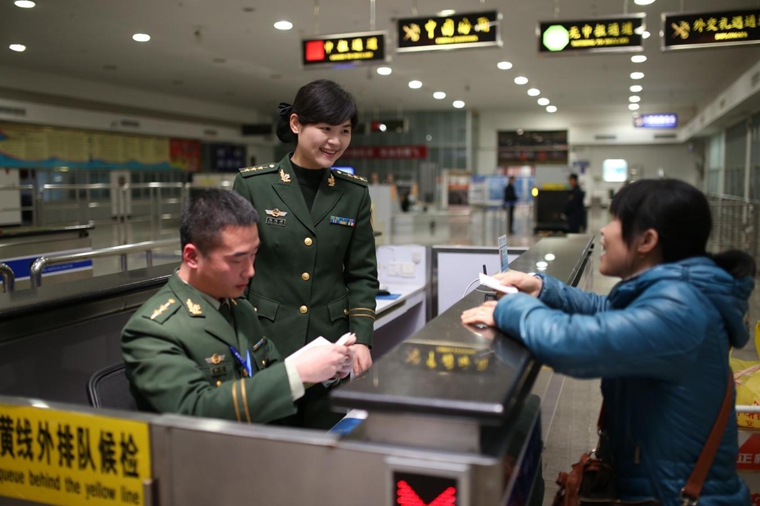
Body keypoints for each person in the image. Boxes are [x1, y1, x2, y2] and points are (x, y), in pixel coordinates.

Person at [462, 179, 754, 505]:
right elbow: (609, 311)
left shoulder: (681, 309)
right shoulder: (677, 292)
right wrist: (539, 287)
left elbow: (577, 345)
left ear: (647, 240)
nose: (604, 229)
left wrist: (513, 309)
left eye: (616, 220)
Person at [121, 189, 355, 424]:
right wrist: (297, 372)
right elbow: (193, 410)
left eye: (254, 255)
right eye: (237, 260)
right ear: (192, 257)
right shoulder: (152, 330)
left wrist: (324, 370)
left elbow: (270, 374)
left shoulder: (239, 307)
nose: (250, 271)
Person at [233, 79, 379, 429]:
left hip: (330, 345)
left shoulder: (354, 194)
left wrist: (361, 338)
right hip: (266, 342)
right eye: (325, 128)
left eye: (344, 131)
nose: (335, 141)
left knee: (323, 440)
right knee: (269, 441)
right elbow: (235, 269)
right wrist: (239, 338)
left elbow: (361, 274)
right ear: (296, 124)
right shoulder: (254, 186)